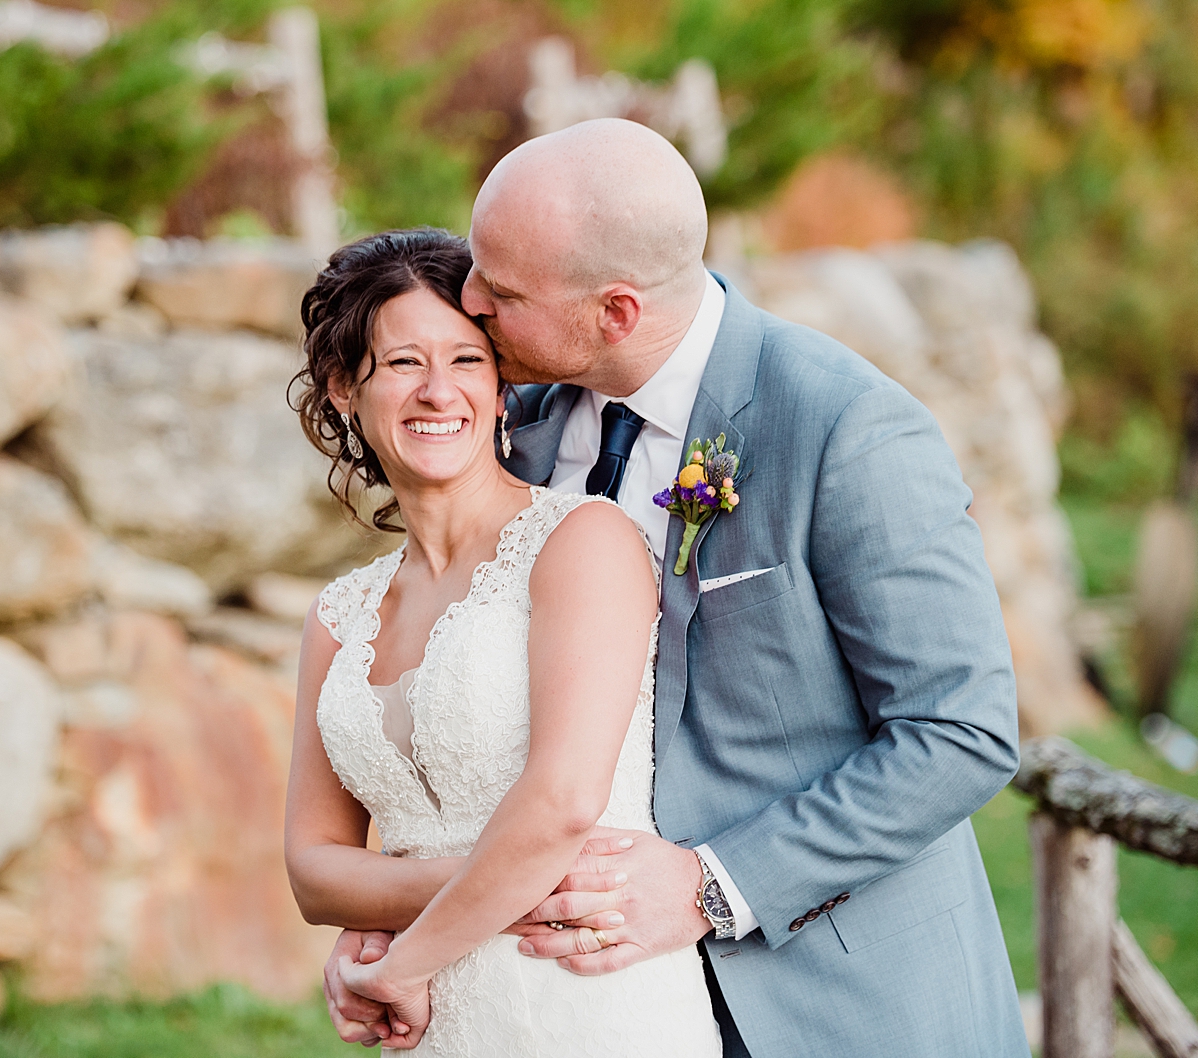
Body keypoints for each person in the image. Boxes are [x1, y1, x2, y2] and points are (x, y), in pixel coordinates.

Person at [319, 118, 1031, 1057]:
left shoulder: (844, 428)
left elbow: (959, 732)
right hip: (580, 999)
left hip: (840, 1002)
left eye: (502, 289)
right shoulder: (516, 424)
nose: (471, 300)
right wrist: (407, 918)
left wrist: (713, 885)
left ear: (615, 312)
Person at [284, 226, 723, 1056]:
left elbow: (563, 803)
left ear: (499, 390)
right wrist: (507, 885)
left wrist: (400, 955)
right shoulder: (338, 617)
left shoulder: (582, 542)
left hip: (589, 1002)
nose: (437, 391)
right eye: (403, 362)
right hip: (433, 1027)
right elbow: (311, 870)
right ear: (344, 388)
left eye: (466, 361)